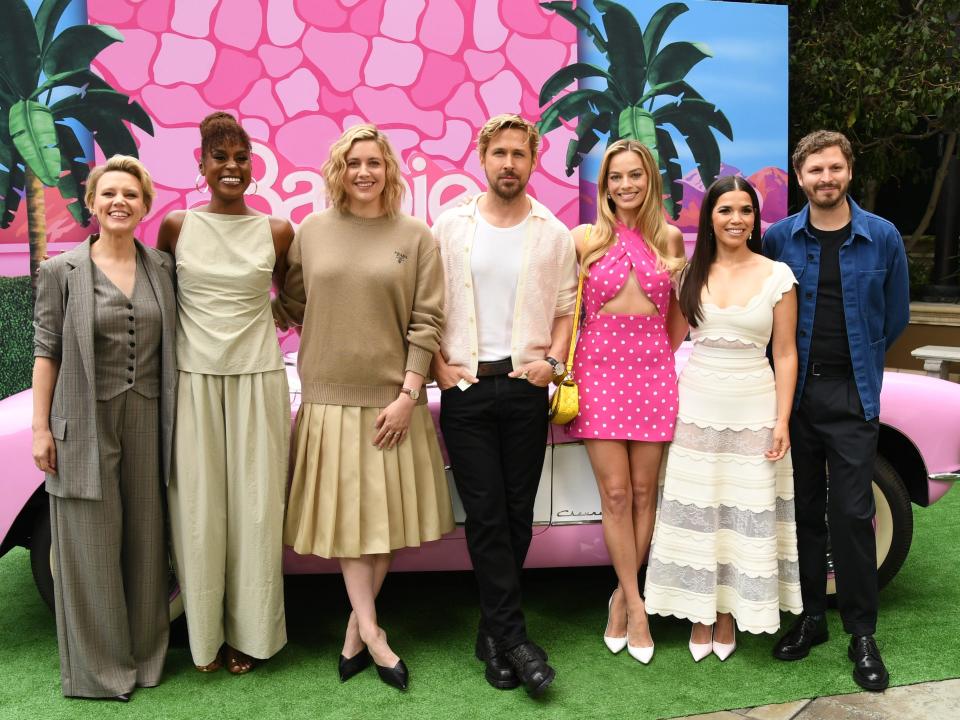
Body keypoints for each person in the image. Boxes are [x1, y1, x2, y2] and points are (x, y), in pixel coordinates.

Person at [276, 124, 453, 691]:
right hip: (328, 398)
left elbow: (427, 321)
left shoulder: (417, 235)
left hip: (389, 401)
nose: (363, 172)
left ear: (389, 169)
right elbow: (295, 302)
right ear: (338, 169)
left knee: (381, 527)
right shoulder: (312, 231)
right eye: (353, 162)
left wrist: (408, 395)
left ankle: (356, 630)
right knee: (356, 529)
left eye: (374, 162)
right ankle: (374, 636)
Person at [431, 114, 577, 697]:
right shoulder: (449, 226)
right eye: (500, 153)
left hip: (526, 389)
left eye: (520, 153)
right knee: (487, 514)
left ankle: (493, 635)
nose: (509, 163)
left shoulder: (553, 233)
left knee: (518, 515)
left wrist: (555, 363)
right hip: (465, 390)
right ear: (482, 157)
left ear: (533, 160)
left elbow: (566, 307)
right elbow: (426, 302)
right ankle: (516, 639)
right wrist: (439, 368)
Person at [764, 131, 909, 691]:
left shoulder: (883, 237)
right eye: (814, 171)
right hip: (795, 396)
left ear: (849, 170)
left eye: (835, 168)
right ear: (800, 178)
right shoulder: (779, 238)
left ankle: (862, 632)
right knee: (803, 511)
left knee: (852, 514)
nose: (825, 178)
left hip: (852, 395)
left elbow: (894, 317)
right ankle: (811, 619)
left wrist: (861, 367)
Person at [32, 155, 176, 700]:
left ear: (144, 205)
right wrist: (41, 427)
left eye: (131, 194)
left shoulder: (162, 267)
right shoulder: (60, 272)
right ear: (91, 204)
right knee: (90, 545)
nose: (120, 202)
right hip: (83, 418)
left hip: (147, 415)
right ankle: (99, 672)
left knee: (145, 542)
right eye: (108, 193)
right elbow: (46, 351)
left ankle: (144, 660)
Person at [645, 175, 803, 661]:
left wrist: (781, 420)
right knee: (699, 507)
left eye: (746, 210)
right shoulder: (689, 274)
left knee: (741, 510)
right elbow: (666, 342)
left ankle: (730, 614)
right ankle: (699, 613)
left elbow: (787, 352)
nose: (736, 219)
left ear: (756, 219)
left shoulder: (778, 275)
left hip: (755, 407)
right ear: (709, 218)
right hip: (696, 406)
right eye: (725, 210)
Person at [158, 112, 294, 675]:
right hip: (192, 381)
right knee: (198, 509)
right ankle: (204, 634)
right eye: (221, 157)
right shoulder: (176, 226)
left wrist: (265, 324)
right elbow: (159, 301)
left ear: (252, 165)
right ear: (202, 164)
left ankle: (251, 635)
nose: (232, 167)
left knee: (257, 510)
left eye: (241, 157)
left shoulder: (278, 230)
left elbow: (292, 295)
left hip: (258, 378)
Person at [566, 140, 687, 664]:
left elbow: (678, 322)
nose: (625, 185)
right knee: (615, 495)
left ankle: (621, 593)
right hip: (598, 373)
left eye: (635, 175)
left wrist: (652, 353)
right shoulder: (584, 239)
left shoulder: (672, 239)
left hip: (653, 372)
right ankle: (635, 607)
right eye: (615, 177)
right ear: (604, 185)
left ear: (650, 179)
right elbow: (564, 310)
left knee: (644, 493)